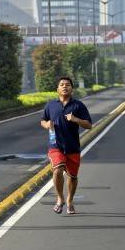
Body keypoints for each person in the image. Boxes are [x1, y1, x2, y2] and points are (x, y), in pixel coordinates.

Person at [40, 77, 92, 214]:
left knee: (72, 176)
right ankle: (60, 199)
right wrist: (47, 125)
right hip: (55, 145)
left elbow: (89, 125)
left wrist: (76, 119)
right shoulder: (51, 105)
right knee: (57, 170)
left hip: (73, 147)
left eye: (67, 85)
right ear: (57, 89)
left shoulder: (78, 105)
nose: (64, 87)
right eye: (62, 85)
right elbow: (43, 120)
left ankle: (69, 200)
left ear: (72, 88)